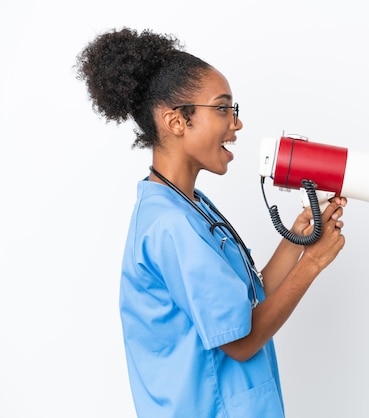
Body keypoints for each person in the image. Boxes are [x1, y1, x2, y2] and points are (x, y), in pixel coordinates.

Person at [75, 28, 347, 418]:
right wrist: (314, 265)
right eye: (223, 109)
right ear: (176, 121)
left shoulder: (190, 206)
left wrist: (297, 240)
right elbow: (239, 342)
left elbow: (246, 303)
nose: (236, 124)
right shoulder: (170, 224)